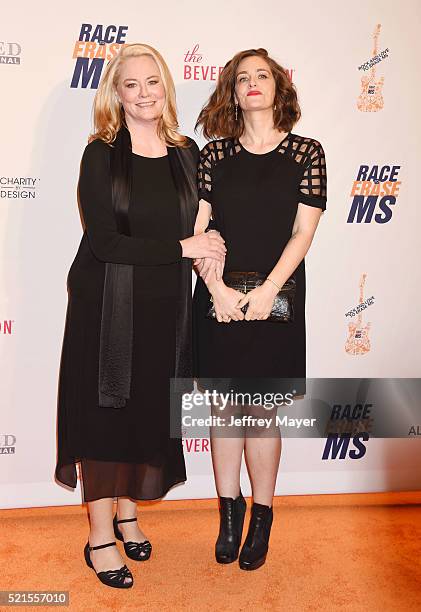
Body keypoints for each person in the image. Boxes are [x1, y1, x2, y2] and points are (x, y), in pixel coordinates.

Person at [55, 43, 226, 589]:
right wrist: (183, 247)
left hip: (165, 308)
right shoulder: (101, 153)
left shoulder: (187, 152)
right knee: (107, 413)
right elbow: (104, 241)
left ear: (166, 87)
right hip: (107, 305)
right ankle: (100, 535)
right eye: (132, 84)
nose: (145, 92)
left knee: (146, 410)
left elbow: (203, 229)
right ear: (116, 93)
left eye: (153, 81)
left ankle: (128, 513)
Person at [192, 48, 327, 570]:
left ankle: (262, 518)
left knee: (262, 411)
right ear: (232, 90)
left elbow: (304, 230)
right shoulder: (214, 155)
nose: (252, 83)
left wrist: (270, 288)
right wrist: (217, 289)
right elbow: (200, 232)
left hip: (280, 296)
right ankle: (229, 516)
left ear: (278, 87)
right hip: (219, 295)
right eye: (242, 77)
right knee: (224, 408)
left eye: (262, 76)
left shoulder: (306, 152)